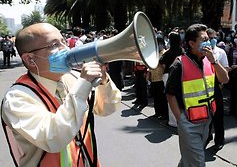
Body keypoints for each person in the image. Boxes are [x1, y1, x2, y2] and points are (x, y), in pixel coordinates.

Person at [1, 23, 121, 166]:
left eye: (63, 41)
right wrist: (83, 86)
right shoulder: (17, 99)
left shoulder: (75, 78)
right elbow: (53, 138)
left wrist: (103, 80)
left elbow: (107, 108)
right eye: (53, 45)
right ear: (29, 59)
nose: (65, 49)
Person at [165, 24, 228, 167]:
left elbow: (225, 79)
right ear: (191, 43)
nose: (209, 41)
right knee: (198, 162)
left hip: (207, 120)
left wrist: (214, 61)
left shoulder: (209, 60)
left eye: (209, 38)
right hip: (189, 123)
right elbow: (170, 94)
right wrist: (180, 119)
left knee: (190, 159)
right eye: (204, 39)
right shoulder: (179, 64)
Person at [205, 28, 229, 151]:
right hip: (203, 87)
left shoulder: (221, 52)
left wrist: (221, 83)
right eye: (209, 38)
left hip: (216, 86)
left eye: (214, 37)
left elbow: (226, 69)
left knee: (218, 115)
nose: (212, 39)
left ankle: (219, 140)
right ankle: (207, 136)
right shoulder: (201, 54)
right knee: (205, 114)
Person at [160, 31, 184, 127]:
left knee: (170, 99)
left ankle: (173, 122)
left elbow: (160, 61)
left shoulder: (168, 52)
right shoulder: (182, 51)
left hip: (168, 75)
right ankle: (180, 121)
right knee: (179, 99)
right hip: (180, 76)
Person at [148, 36, 168, 120]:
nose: (158, 45)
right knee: (156, 97)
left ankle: (164, 114)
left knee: (162, 97)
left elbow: (166, 66)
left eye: (159, 43)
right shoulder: (153, 53)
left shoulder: (165, 53)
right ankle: (157, 112)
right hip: (154, 77)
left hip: (161, 78)